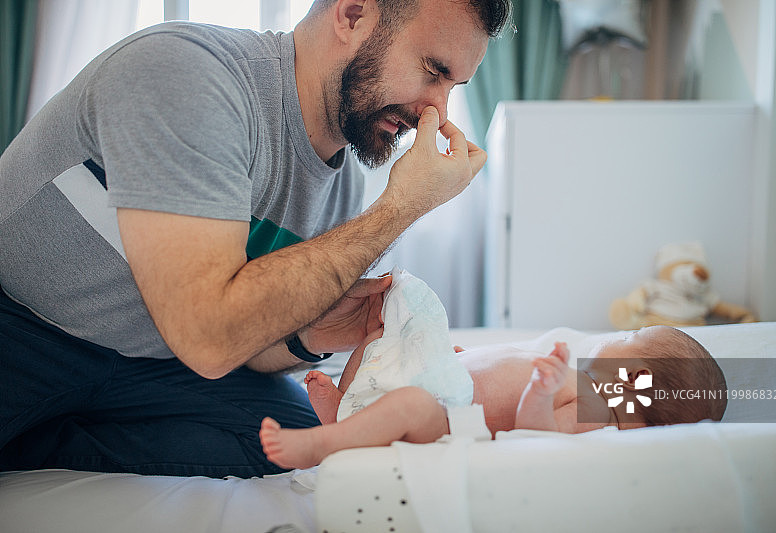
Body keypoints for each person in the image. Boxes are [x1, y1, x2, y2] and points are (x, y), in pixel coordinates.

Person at [0, 0, 511, 477]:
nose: (438, 114)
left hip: (152, 364)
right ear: (353, 15)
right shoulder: (188, 75)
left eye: (454, 87)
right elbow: (209, 337)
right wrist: (400, 208)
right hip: (23, 329)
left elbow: (245, 349)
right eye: (433, 70)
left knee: (301, 441)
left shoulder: (343, 185)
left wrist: (310, 336)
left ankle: (37, 441)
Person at [260, 324, 728, 469]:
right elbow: (503, 364)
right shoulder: (591, 387)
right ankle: (347, 403)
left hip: (455, 422)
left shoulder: (602, 409)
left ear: (637, 375)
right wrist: (465, 358)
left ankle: (325, 442)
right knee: (389, 336)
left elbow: (538, 432)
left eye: (632, 333)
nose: (617, 334)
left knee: (408, 408)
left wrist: (541, 394)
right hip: (450, 385)